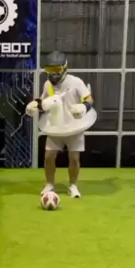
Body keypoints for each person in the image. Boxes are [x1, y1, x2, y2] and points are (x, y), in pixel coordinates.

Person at [26, 50, 96, 198]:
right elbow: (44, 101)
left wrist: (84, 107)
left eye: (56, 69)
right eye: (50, 69)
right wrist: (35, 105)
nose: (53, 74)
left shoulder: (75, 82)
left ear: (64, 68)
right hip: (55, 126)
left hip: (75, 127)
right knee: (48, 157)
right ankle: (49, 184)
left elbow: (89, 98)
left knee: (74, 158)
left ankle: (73, 185)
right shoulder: (47, 85)